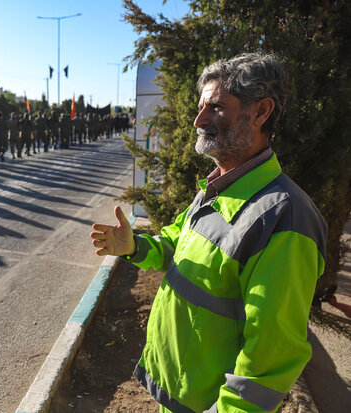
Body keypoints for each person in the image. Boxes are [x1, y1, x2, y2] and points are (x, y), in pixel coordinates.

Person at [90, 53, 327, 413]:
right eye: (202, 107)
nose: (199, 120)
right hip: (177, 395)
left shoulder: (285, 219)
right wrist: (135, 246)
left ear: (261, 112)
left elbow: (267, 365)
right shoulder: (219, 187)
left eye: (215, 107)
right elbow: (177, 243)